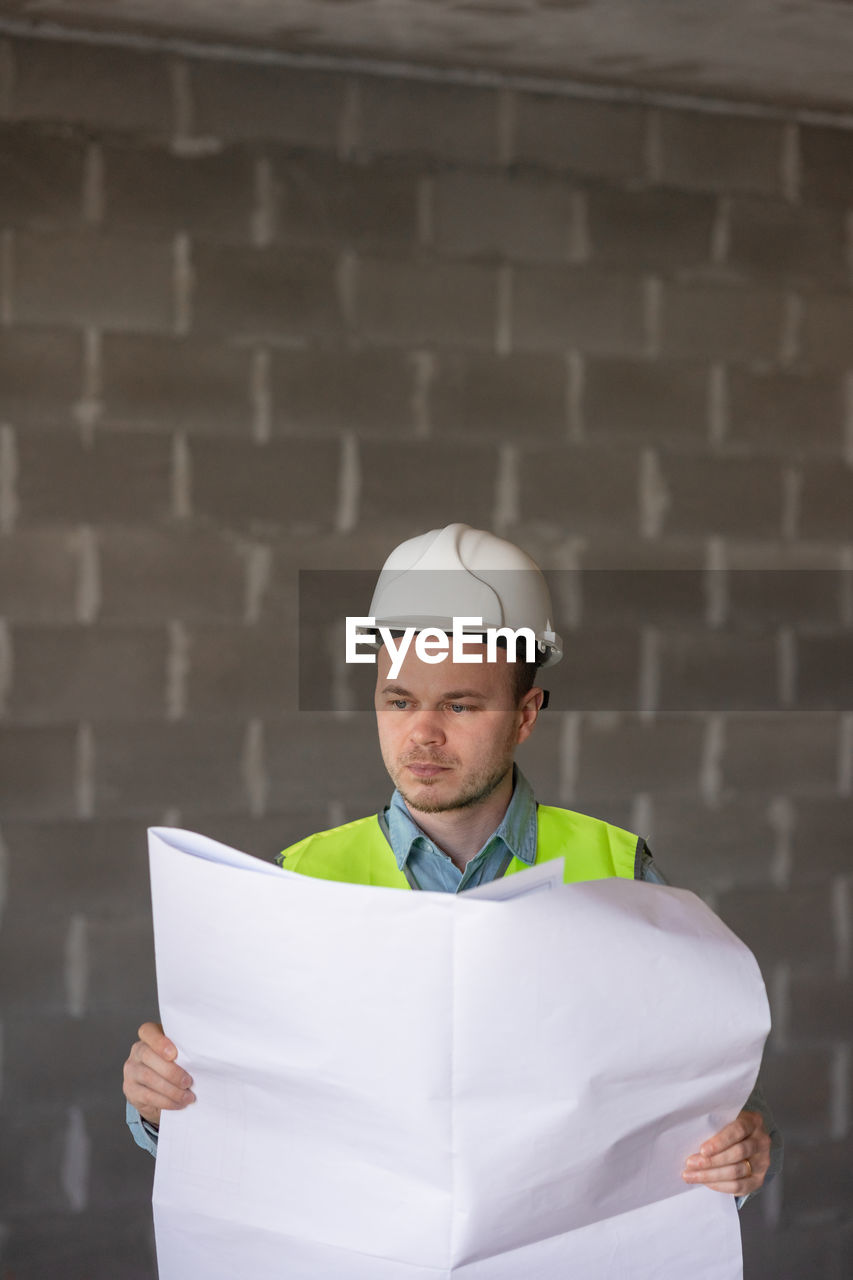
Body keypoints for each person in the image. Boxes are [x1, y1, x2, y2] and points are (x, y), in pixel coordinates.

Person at [123, 522, 782, 1205]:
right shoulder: (299, 879)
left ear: (525, 715)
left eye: (459, 705)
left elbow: (706, 1089)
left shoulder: (617, 869)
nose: (422, 735)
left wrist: (742, 1144)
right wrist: (156, 1104)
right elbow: (235, 1106)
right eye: (398, 701)